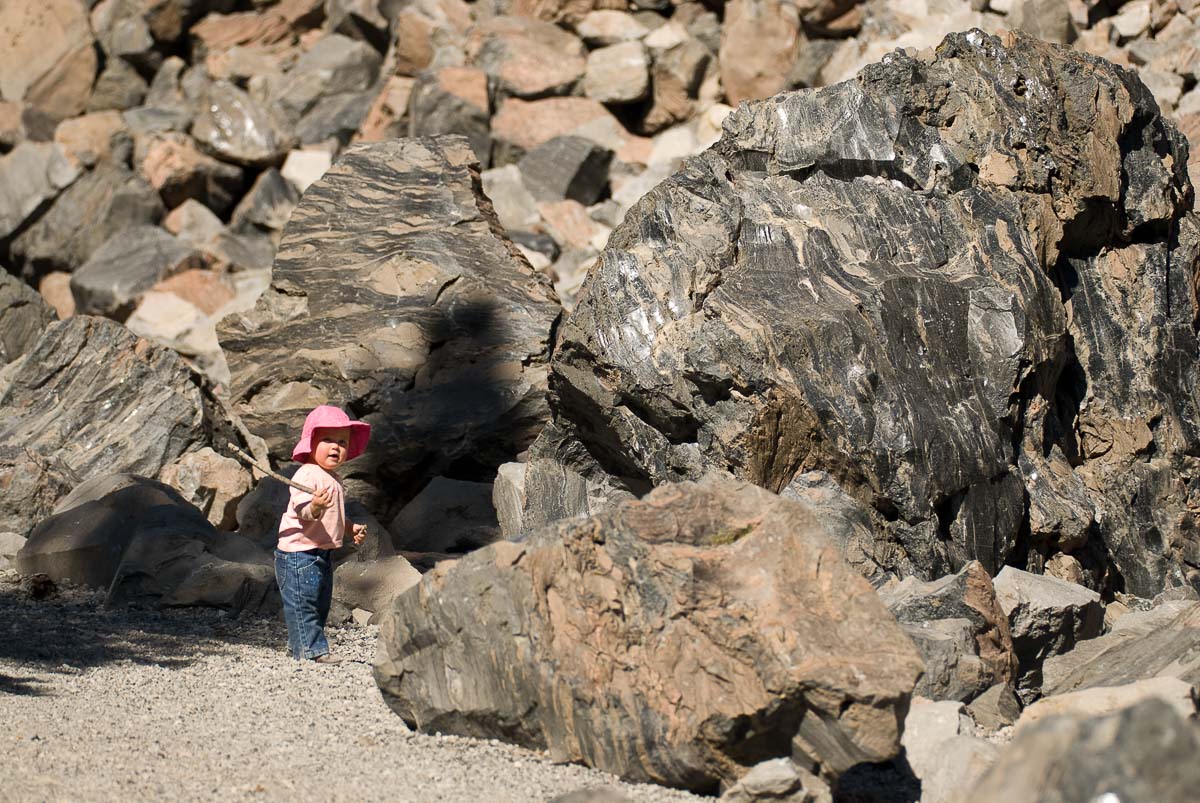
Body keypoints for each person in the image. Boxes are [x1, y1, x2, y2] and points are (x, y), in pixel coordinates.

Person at [275, 405, 371, 663]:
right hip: (298, 553)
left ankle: (300, 646)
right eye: (327, 439)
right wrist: (315, 505)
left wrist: (350, 529)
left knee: (318, 603)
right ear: (311, 443)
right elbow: (303, 511)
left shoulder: (334, 478)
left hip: (320, 553)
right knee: (303, 603)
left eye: (342, 442)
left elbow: (336, 515)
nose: (335, 447)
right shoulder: (307, 474)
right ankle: (311, 650)